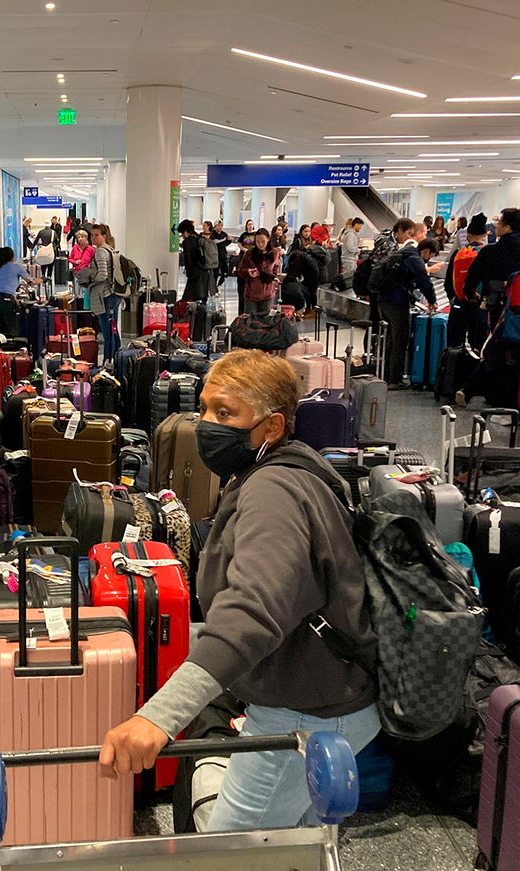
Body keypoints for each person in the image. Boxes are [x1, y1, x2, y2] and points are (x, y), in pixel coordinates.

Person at [98, 350, 378, 831]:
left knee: (228, 859)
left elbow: (251, 612)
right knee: (299, 848)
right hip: (333, 697)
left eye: (225, 413)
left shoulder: (272, 493)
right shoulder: (295, 467)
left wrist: (158, 717)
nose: (207, 424)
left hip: (306, 716)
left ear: (270, 427)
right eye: (204, 408)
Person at [455, 242, 520, 409]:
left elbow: (508, 300)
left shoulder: (515, 277)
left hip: (511, 326)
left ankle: (468, 390)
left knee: (491, 355)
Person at [379, 219, 437, 390]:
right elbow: (424, 282)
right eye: (430, 256)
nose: (428, 259)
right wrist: (432, 301)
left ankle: (385, 375)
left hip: (383, 300)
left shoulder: (402, 252)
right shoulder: (414, 258)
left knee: (390, 340)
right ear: (426, 251)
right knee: (399, 341)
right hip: (397, 303)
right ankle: (394, 380)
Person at [463, 208, 520, 328]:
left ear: (507, 228)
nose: (496, 227)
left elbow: (473, 276)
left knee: (496, 331)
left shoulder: (490, 250)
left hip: (494, 300)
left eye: (499, 223)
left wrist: (470, 294)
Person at [75, 223, 124, 361]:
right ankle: (117, 359)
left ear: (104, 236)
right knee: (114, 330)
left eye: (97, 235)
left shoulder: (100, 251)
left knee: (107, 333)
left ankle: (108, 361)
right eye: (92, 235)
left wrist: (90, 277)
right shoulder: (110, 249)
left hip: (105, 296)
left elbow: (102, 275)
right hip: (115, 294)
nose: (93, 238)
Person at [444, 213, 490, 348]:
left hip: (460, 304)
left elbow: (448, 282)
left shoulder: (459, 253)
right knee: (478, 344)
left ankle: (452, 367)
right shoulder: (488, 254)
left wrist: (453, 298)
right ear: (485, 235)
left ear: (468, 234)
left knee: (454, 343)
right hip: (479, 306)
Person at [0, 246, 35, 337]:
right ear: (11, 257)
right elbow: (31, 282)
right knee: (11, 329)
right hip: (6, 300)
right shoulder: (16, 267)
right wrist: (43, 280)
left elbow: (0, 286)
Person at [236, 228, 283, 315]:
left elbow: (275, 271)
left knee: (265, 323)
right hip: (251, 295)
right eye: (257, 242)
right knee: (250, 323)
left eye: (263, 241)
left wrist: (274, 278)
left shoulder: (275, 253)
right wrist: (248, 272)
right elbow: (240, 272)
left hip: (268, 294)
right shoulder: (249, 253)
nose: (260, 244)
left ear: (268, 239)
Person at [178, 218, 212, 307]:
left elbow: (188, 259)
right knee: (201, 301)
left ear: (185, 231)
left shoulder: (187, 241)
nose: (182, 235)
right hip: (204, 272)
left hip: (194, 274)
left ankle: (191, 319)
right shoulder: (199, 237)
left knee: (188, 300)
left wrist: (188, 272)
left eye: (182, 233)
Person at [69, 229, 95, 310]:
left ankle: (86, 310)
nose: (80, 239)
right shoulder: (75, 248)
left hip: (87, 275)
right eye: (78, 237)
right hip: (77, 273)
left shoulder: (90, 249)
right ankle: (78, 310)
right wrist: (75, 262)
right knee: (76, 293)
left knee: (86, 293)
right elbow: (70, 258)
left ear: (86, 238)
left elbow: (94, 260)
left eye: (82, 237)